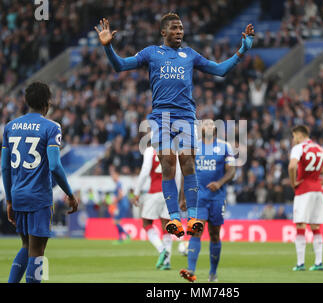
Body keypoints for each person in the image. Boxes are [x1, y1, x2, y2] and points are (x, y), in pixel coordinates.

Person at [95, 14, 254, 238]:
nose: (179, 31)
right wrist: (108, 47)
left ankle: (192, 218)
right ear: (163, 32)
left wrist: (242, 51)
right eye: (174, 28)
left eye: (181, 28)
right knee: (168, 161)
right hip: (162, 117)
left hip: (187, 116)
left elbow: (219, 70)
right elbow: (120, 65)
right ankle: (174, 219)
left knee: (187, 163)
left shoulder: (190, 55)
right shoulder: (151, 53)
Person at [2, 82, 78, 283]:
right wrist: (70, 194)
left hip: (18, 195)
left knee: (26, 246)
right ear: (47, 103)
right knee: (37, 251)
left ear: (27, 101)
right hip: (38, 197)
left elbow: (5, 168)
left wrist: (9, 200)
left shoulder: (10, 127)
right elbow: (54, 165)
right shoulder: (52, 128)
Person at [179, 119, 236, 282]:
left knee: (215, 235)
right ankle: (190, 270)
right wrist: (182, 197)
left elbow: (232, 170)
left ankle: (213, 273)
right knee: (196, 231)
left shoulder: (225, 147)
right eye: (206, 124)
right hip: (198, 198)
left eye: (212, 124)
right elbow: (186, 173)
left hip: (217, 198)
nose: (209, 126)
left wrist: (219, 183)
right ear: (201, 129)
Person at [288, 125, 323, 272]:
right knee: (316, 227)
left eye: (293, 137)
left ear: (298, 135)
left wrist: (293, 183)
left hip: (304, 190)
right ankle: (318, 263)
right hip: (318, 192)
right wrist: (322, 181)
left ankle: (300, 264)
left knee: (300, 226)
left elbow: (292, 166)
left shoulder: (299, 148)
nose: (293, 140)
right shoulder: (320, 148)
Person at [132, 140, 181, 270]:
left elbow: (144, 172)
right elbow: (178, 174)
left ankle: (161, 250)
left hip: (155, 192)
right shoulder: (173, 152)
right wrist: (177, 195)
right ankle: (167, 262)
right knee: (166, 226)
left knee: (146, 223)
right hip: (170, 193)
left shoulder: (150, 151)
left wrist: (136, 192)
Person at [110, 167, 130, 244]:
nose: (112, 177)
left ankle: (124, 236)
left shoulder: (119, 184)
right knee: (116, 221)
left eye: (113, 175)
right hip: (122, 204)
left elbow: (121, 195)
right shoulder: (119, 183)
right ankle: (122, 237)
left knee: (115, 221)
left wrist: (114, 201)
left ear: (117, 175)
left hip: (122, 205)